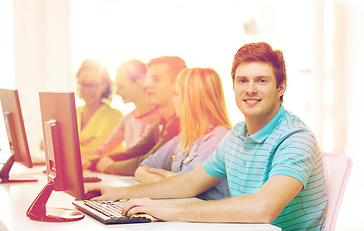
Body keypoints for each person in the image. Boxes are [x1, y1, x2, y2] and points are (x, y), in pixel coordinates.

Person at [85, 42, 328, 230]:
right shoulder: (236, 135)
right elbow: (189, 182)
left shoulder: (296, 138)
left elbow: (263, 208)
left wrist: (167, 211)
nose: (250, 89)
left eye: (261, 81)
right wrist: (119, 194)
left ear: (281, 87)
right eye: (242, 80)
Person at [135, 68, 231, 200]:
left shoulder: (218, 138)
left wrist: (168, 179)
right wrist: (169, 181)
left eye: (176, 94)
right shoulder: (185, 137)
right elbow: (142, 168)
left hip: (210, 217)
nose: (173, 99)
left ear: (193, 98)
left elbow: (186, 185)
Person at [87, 56, 187, 176]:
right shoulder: (161, 122)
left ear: (178, 84)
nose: (147, 84)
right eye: (147, 79)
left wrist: (110, 167)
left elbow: (149, 161)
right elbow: (133, 153)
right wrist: (89, 163)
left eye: (156, 79)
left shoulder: (180, 123)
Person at [82, 59, 159, 160]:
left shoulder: (155, 120)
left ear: (139, 84)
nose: (117, 92)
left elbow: (136, 156)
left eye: (121, 87)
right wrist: (78, 157)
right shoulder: (127, 119)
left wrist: (94, 162)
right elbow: (104, 149)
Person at [76, 59, 123, 158]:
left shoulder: (115, 117)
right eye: (83, 84)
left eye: (93, 84)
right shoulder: (72, 114)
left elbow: (97, 150)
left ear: (104, 86)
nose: (87, 90)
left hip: (102, 171)